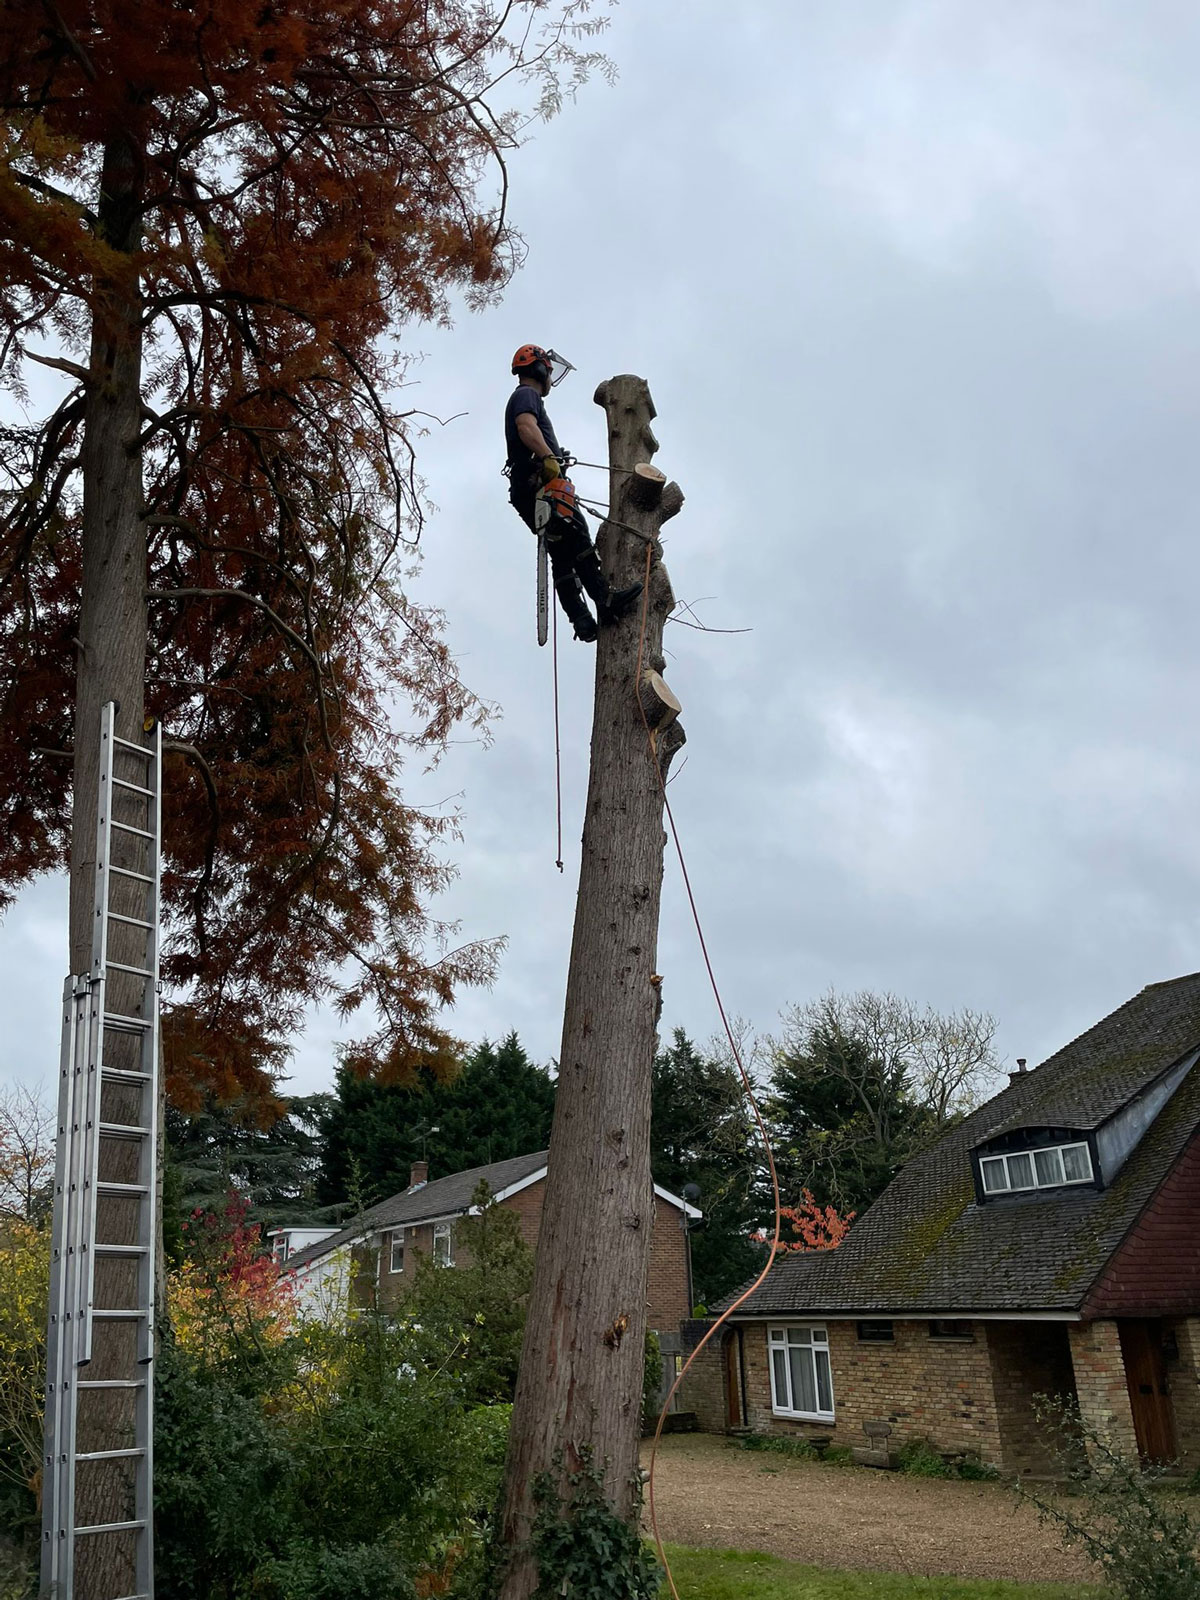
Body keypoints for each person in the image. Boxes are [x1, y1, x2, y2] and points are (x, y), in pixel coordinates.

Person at [505, 344, 642, 643]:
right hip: (537, 483)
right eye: (549, 372)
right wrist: (547, 457)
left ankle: (581, 619)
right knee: (577, 537)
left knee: (562, 553)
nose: (551, 379)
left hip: (526, 488)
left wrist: (553, 454)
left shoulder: (524, 397)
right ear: (539, 369)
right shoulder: (527, 395)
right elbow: (526, 426)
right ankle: (604, 599)